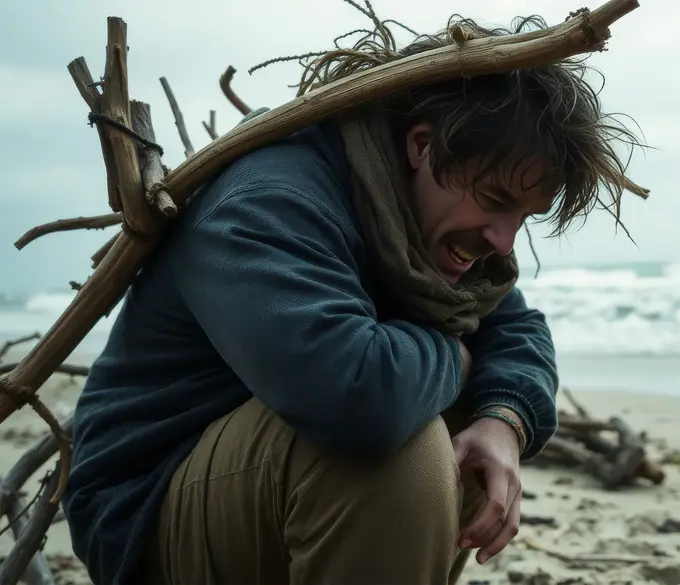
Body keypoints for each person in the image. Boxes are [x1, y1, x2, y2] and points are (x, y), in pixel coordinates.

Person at [61, 13, 643, 585]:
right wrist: (461, 357)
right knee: (395, 449)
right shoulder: (267, 202)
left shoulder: (416, 213)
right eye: (494, 199)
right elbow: (358, 395)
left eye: (523, 216)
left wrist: (505, 420)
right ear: (423, 145)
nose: (503, 238)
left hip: (267, 488)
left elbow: (517, 329)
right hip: (150, 513)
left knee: (466, 423)